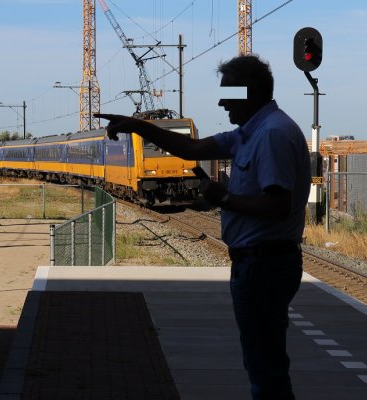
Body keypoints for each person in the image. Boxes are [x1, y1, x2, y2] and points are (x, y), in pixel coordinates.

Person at [96, 54, 310, 400]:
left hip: (264, 265)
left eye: (230, 94)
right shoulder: (249, 133)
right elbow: (191, 147)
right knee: (261, 362)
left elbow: (277, 205)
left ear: (251, 93)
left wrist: (223, 197)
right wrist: (138, 125)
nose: (223, 103)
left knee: (265, 368)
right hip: (257, 263)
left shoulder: (272, 134)